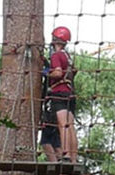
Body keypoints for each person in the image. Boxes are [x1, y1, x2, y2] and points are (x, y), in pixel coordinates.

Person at [47, 26, 78, 163]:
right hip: (69, 93)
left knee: (63, 124)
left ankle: (65, 155)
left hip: (59, 92)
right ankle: (73, 157)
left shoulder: (56, 55)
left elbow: (58, 72)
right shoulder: (68, 56)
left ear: (56, 40)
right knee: (70, 125)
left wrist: (47, 73)